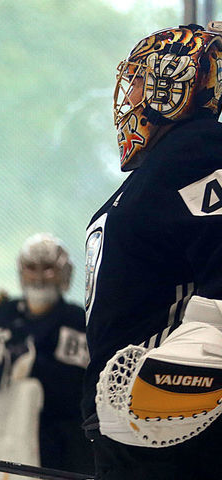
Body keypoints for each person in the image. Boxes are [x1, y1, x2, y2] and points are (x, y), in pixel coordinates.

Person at [83, 23, 222, 480]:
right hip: (138, 426)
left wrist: (207, 337)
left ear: (173, 83)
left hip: (173, 428)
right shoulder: (162, 165)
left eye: (140, 79)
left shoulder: (199, 148)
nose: (131, 95)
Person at [0, 233, 93, 474]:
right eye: (32, 267)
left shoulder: (75, 320)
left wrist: (29, 366)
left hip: (58, 438)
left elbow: (76, 387)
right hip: (1, 429)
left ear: (64, 272)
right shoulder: (5, 312)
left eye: (48, 268)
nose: (40, 277)